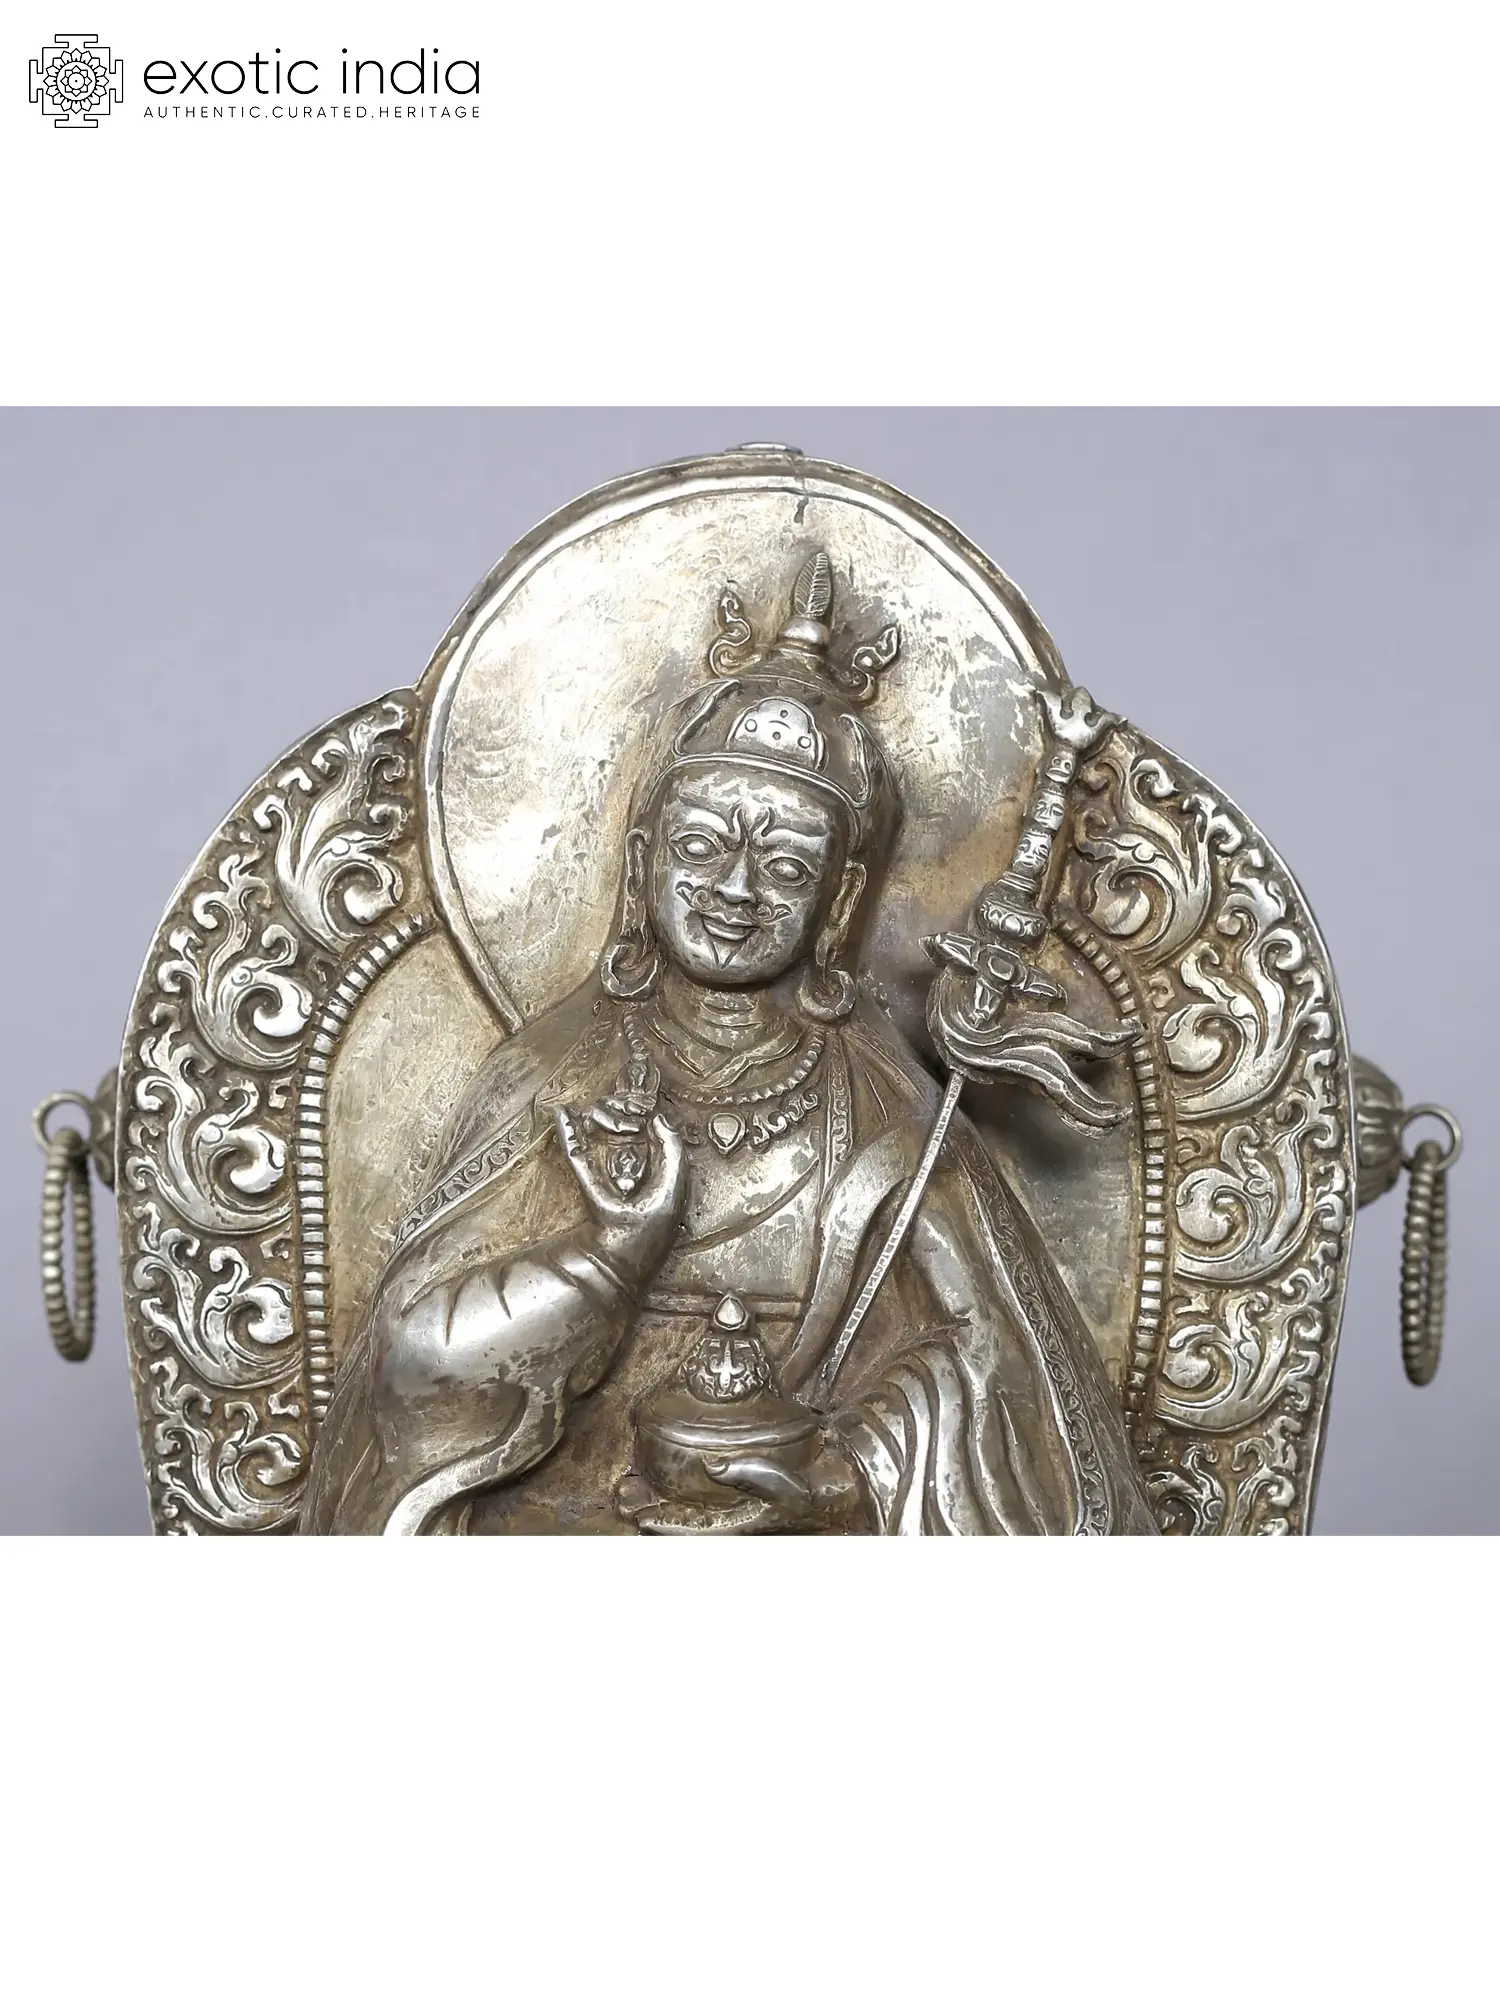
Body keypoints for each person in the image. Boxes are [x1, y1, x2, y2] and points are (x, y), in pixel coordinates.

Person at [301, 553, 1158, 1533]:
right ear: (641, 863)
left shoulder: (882, 1113)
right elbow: (409, 1365)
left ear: (839, 901)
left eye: (786, 865)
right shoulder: (554, 1075)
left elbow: (1000, 1371)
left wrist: (841, 1477)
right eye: (703, 846)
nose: (737, 890)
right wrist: (606, 1259)